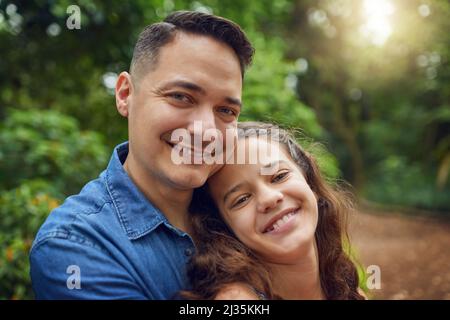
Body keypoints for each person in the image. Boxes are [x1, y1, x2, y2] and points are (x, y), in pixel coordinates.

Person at [29, 11, 254, 299]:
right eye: (181, 97)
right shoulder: (75, 246)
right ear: (125, 94)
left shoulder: (244, 208)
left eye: (226, 111)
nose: (206, 132)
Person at [186, 122, 366, 299]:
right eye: (241, 199)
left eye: (279, 176)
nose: (269, 199)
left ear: (311, 184)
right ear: (223, 229)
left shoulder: (346, 286)